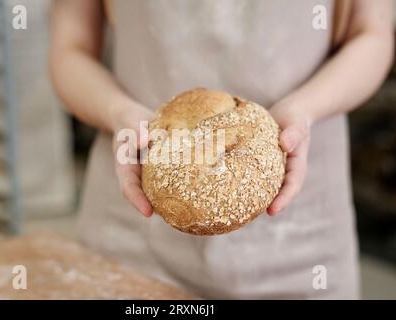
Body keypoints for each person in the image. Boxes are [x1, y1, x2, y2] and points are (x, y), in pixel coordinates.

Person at [49, 0, 394, 299]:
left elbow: (372, 35)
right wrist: (119, 112)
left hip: (301, 238)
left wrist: (303, 112)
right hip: (136, 222)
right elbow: (70, 49)